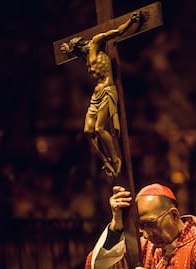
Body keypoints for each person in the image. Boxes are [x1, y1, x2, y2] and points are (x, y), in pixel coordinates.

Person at [60, 12, 142, 177]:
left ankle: (116, 158)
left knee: (99, 127)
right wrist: (67, 50)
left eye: (76, 52)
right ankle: (106, 161)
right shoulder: (85, 56)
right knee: (88, 130)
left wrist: (130, 22)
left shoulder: (96, 43)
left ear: (81, 46)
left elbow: (117, 32)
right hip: (96, 95)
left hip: (107, 90)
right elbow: (69, 52)